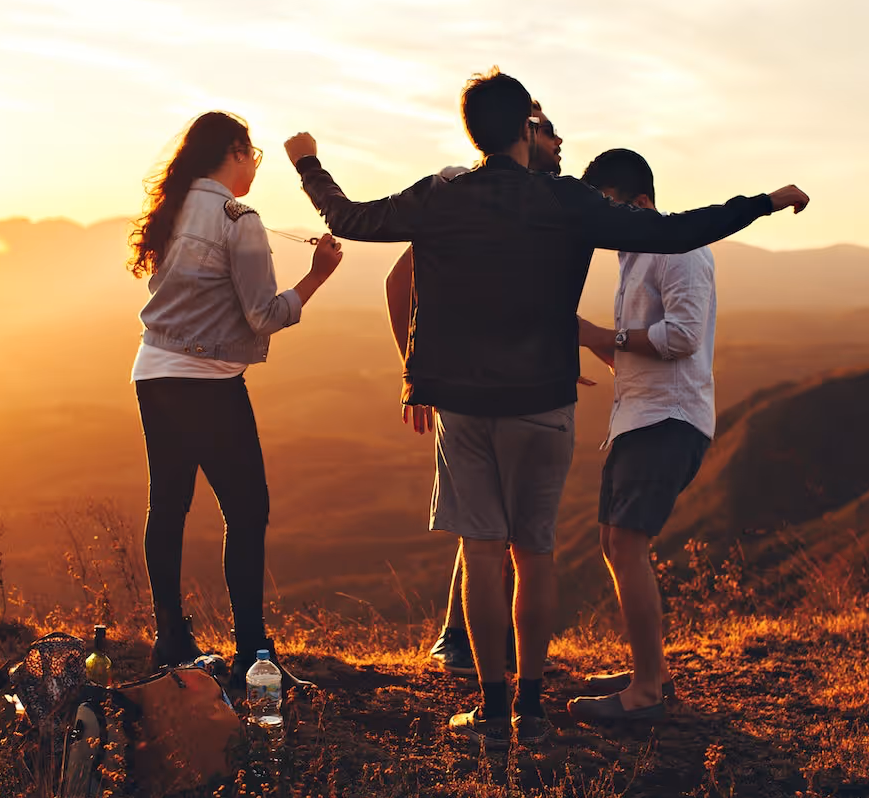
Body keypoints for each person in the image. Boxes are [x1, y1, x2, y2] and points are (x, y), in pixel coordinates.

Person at [284, 68, 808, 748]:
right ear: (527, 131)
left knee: (482, 555)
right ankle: (532, 708)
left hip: (466, 403)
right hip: (545, 401)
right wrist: (763, 201)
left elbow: (350, 217)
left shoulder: (442, 197)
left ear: (473, 129)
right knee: (536, 555)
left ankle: (493, 710)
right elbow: (675, 231)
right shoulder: (563, 200)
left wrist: (308, 164)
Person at [128, 111, 343, 691]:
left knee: (168, 506)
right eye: (254, 156)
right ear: (235, 152)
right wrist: (318, 275)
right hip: (209, 381)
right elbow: (264, 315)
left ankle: (170, 639)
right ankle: (253, 655)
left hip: (153, 372)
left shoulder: (173, 208)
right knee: (247, 511)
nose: (255, 168)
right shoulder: (238, 219)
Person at [387, 102, 564, 678]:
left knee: (492, 525)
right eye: (547, 129)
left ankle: (477, 650)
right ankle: (463, 642)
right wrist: (417, 375)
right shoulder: (464, 193)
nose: (561, 141)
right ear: (521, 133)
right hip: (473, 389)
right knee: (487, 527)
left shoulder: (534, 202)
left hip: (512, 384)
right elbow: (399, 280)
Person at [565, 148, 723, 723]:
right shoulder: (634, 257)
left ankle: (647, 692)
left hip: (669, 419)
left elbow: (681, 337)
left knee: (627, 545)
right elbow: (636, 351)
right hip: (638, 416)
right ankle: (646, 669)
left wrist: (601, 332)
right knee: (615, 543)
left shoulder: (677, 250)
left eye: (604, 205)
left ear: (639, 202)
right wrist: (586, 341)